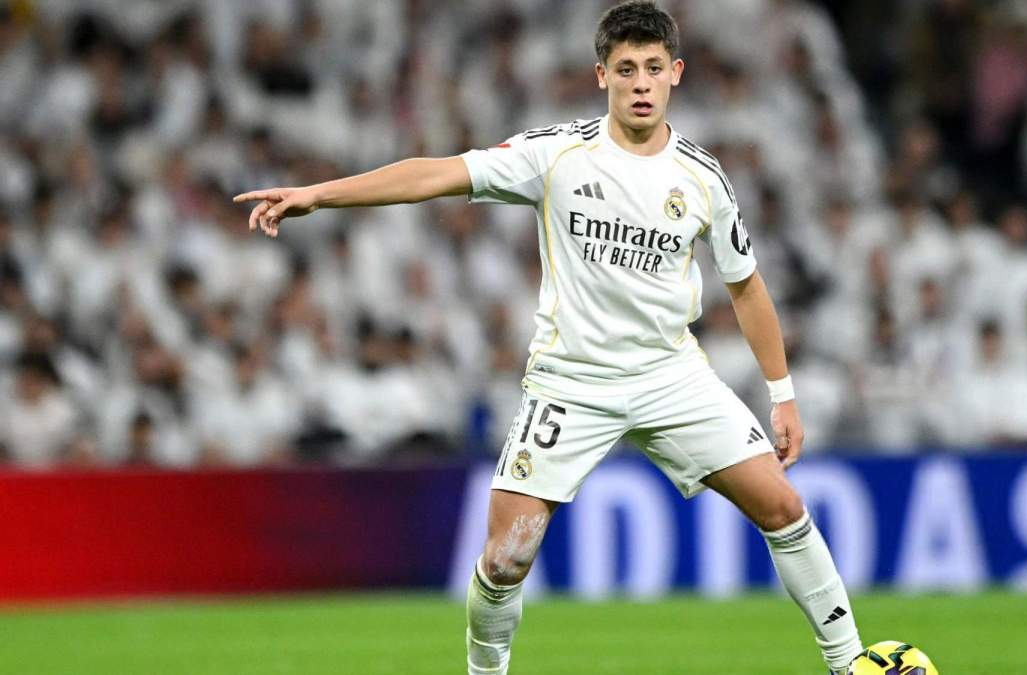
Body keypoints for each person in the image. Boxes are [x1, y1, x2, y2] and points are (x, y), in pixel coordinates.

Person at [234, 2, 864, 673]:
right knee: (506, 558)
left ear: (676, 73)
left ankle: (850, 660)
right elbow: (436, 173)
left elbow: (746, 286)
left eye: (654, 67)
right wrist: (319, 195)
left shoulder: (703, 178)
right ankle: (485, 670)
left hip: (669, 376)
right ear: (602, 76)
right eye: (627, 69)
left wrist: (783, 393)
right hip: (571, 382)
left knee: (783, 504)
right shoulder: (557, 155)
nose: (641, 82)